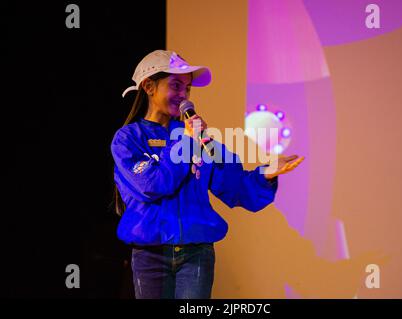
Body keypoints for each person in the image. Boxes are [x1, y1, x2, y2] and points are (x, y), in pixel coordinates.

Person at [111, 50, 305, 299]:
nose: (184, 96)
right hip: (151, 255)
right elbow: (152, 184)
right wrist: (186, 140)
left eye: (188, 89)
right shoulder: (128, 139)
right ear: (149, 86)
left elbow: (234, 186)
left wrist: (266, 172)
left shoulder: (199, 139)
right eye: (176, 85)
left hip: (196, 254)